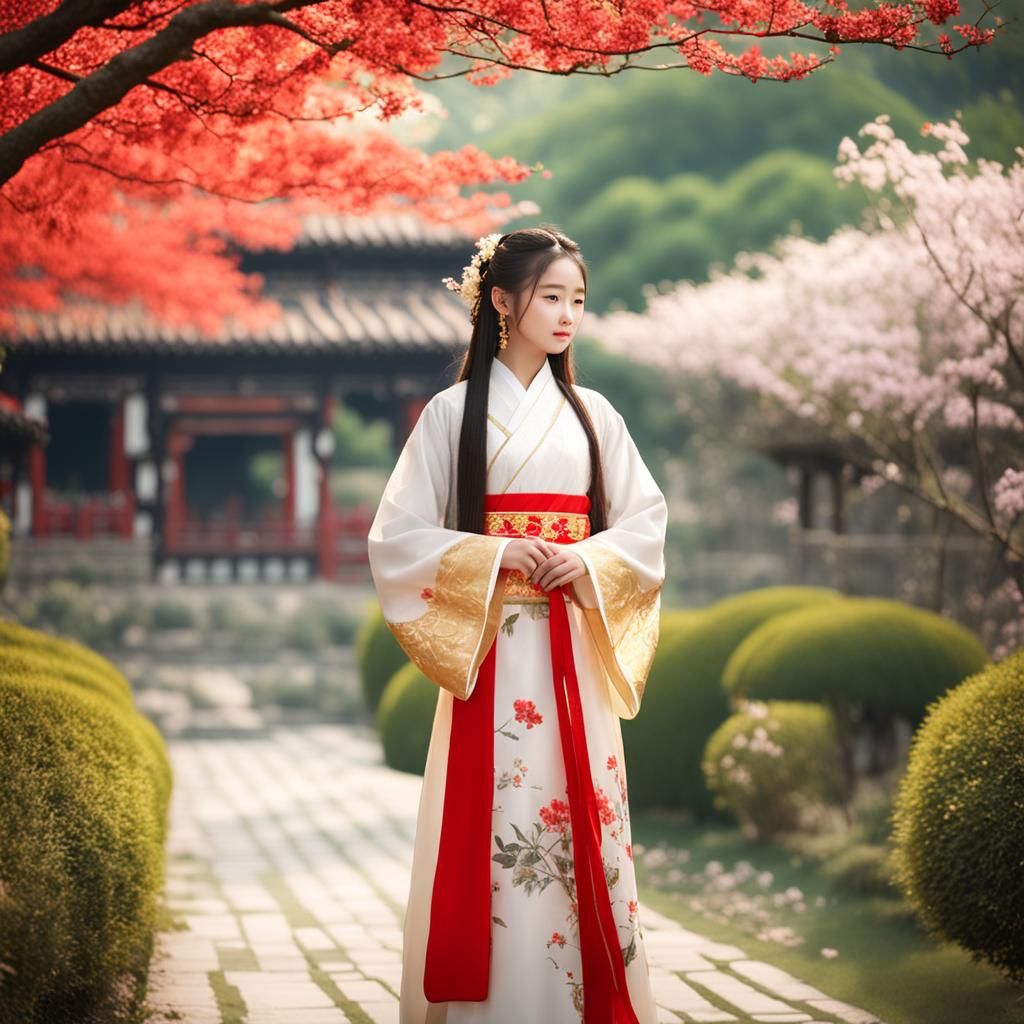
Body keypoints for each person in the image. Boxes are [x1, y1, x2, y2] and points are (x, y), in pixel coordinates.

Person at [367, 225, 667, 1024]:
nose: (568, 314)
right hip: (493, 653)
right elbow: (396, 538)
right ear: (502, 301)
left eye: (578, 299)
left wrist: (590, 561)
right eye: (551, 296)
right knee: (497, 819)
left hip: (573, 650)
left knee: (579, 817)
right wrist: (495, 554)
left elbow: (645, 526)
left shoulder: (595, 415)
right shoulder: (450, 415)